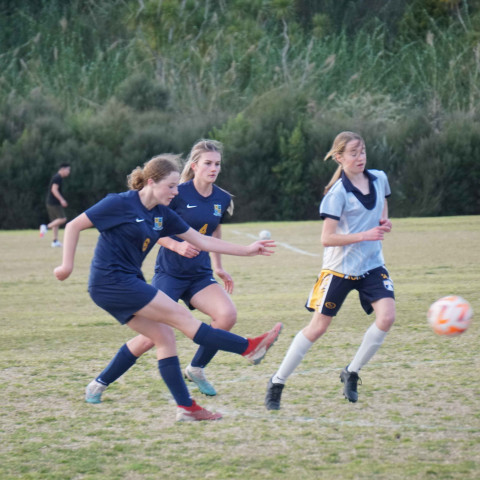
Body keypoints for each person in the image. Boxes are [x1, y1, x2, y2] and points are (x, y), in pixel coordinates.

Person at [53, 154, 282, 422]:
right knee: (182, 318)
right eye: (171, 186)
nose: (176, 192)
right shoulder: (120, 203)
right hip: (111, 282)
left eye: (176, 186)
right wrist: (66, 266)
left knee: (164, 337)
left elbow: (202, 241)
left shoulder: (163, 214)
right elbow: (74, 225)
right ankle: (248, 347)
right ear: (151, 182)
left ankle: (186, 408)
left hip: (128, 282)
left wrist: (247, 250)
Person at [85, 140, 239, 404]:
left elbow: (212, 231)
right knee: (152, 337)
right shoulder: (176, 191)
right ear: (195, 166)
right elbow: (152, 225)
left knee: (226, 316)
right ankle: (101, 382)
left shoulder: (222, 198)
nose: (214, 168)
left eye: (217, 164)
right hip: (170, 273)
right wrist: (176, 246)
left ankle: (196, 368)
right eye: (208, 163)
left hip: (200, 274)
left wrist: (219, 266)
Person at [265, 131, 395, 410]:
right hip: (338, 270)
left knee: (387, 317)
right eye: (353, 153)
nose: (360, 158)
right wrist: (365, 235)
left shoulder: (379, 177)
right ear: (339, 157)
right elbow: (327, 239)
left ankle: (352, 371)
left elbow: (383, 203)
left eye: (363, 152)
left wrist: (384, 221)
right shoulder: (337, 194)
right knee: (318, 327)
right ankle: (277, 381)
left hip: (372, 266)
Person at [40, 163, 71, 247]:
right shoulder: (58, 178)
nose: (69, 172)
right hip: (54, 203)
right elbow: (54, 190)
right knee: (63, 219)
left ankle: (55, 241)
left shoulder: (57, 177)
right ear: (63, 169)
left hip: (50, 202)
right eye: (68, 170)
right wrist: (62, 200)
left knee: (55, 222)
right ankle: (45, 227)